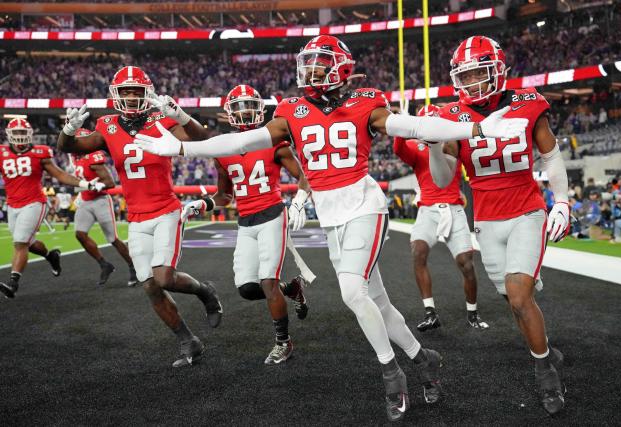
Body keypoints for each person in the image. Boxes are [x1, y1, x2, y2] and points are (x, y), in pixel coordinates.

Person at [133, 35, 527, 421]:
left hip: (363, 205)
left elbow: (413, 127)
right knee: (379, 303)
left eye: (321, 64)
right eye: (309, 64)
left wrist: (474, 130)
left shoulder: (365, 100)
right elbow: (240, 142)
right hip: (331, 214)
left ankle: (392, 373)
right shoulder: (291, 109)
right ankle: (424, 358)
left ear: (342, 69)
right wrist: (182, 147)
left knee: (352, 292)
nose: (312, 71)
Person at [428, 36, 568, 414]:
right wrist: (431, 145)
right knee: (513, 300)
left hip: (526, 210)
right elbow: (443, 180)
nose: (472, 81)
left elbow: (551, 156)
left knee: (520, 297)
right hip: (487, 220)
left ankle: (545, 373)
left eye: (479, 72)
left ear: (498, 70)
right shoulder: (452, 116)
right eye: (465, 74)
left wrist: (563, 202)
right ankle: (546, 346)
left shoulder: (527, 103)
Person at [56, 66, 223, 368]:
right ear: (115, 95)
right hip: (136, 216)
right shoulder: (107, 125)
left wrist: (182, 115)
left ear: (148, 94)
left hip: (165, 211)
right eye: (125, 91)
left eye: (136, 91)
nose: (131, 96)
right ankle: (189, 341)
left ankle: (205, 292)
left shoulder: (162, 119)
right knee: (149, 286)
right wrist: (68, 129)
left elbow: (203, 139)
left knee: (164, 278)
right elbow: (69, 147)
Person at [182, 84, 311, 365]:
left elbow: (303, 176)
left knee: (267, 282)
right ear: (229, 114)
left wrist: (299, 201)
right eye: (239, 108)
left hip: (273, 216)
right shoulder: (223, 148)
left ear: (260, 110)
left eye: (249, 107)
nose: (245, 113)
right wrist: (202, 203)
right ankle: (293, 289)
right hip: (245, 221)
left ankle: (283, 342)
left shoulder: (274, 141)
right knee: (246, 288)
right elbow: (225, 195)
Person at [393, 104, 487, 332]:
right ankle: (430, 312)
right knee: (418, 252)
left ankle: (472, 313)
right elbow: (398, 149)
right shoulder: (416, 149)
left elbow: (454, 151)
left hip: (453, 210)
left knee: (466, 264)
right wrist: (402, 124)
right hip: (428, 211)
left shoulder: (452, 143)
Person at [0, 118, 105, 299]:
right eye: (15, 133)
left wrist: (84, 184)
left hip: (34, 202)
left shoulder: (40, 153)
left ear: (30, 135)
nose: (19, 137)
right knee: (29, 243)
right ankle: (51, 256)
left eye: (22, 133)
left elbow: (60, 175)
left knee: (20, 242)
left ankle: (13, 282)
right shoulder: (2, 153)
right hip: (12, 204)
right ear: (8, 135)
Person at [70, 128, 138, 286]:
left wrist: (94, 186)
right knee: (80, 234)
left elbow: (110, 183)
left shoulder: (92, 157)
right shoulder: (75, 158)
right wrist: (81, 188)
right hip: (85, 201)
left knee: (113, 238)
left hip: (100, 200)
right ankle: (104, 264)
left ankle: (133, 266)